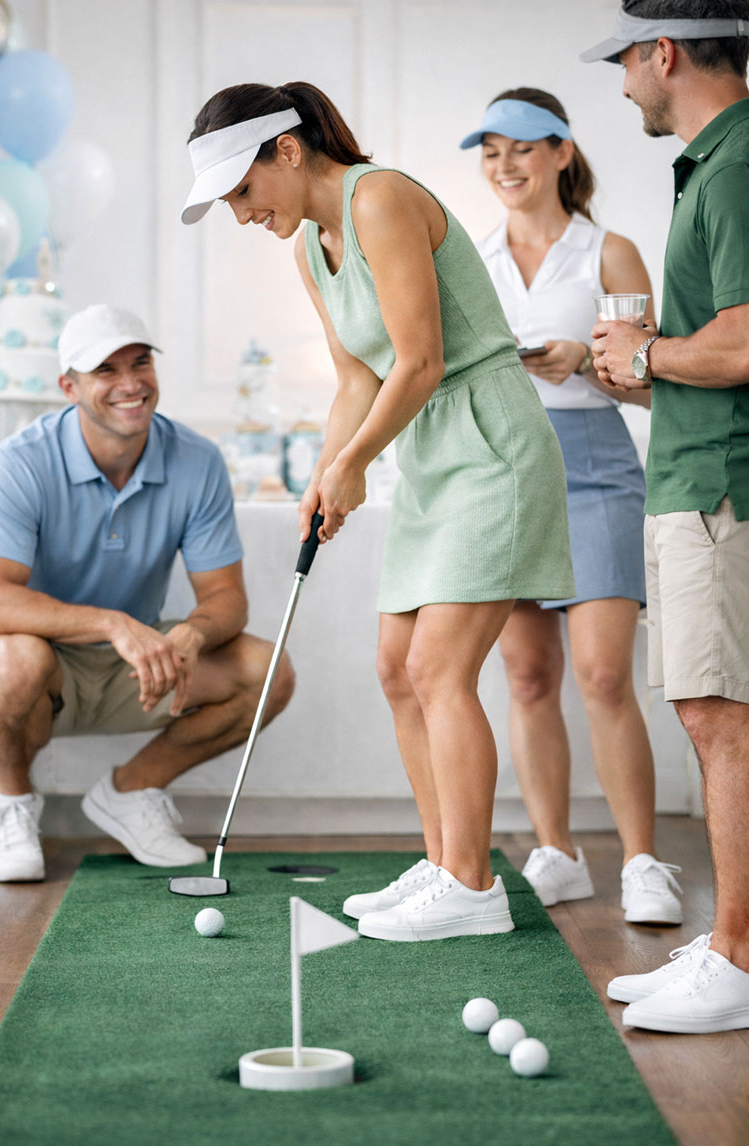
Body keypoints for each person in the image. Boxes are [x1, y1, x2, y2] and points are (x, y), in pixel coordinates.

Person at [181, 81, 574, 942]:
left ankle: (472, 887)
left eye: (242, 191)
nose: (240, 214)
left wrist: (356, 463)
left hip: (490, 441)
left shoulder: (381, 196)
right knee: (397, 668)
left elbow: (424, 359)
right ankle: (444, 864)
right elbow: (360, 377)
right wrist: (328, 474)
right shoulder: (308, 248)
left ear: (286, 149)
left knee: (439, 669)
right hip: (432, 458)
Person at [0, 303, 294, 883]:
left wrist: (191, 633)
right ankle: (11, 804)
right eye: (105, 372)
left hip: (138, 667)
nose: (131, 384)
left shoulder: (197, 460)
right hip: (44, 666)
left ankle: (132, 792)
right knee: (9, 658)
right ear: (69, 387)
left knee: (269, 671)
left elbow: (226, 599)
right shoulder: (18, 462)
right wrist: (115, 624)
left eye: (140, 364)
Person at [463, 88, 683, 925]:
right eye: (489, 151)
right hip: (507, 472)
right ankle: (556, 852)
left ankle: (642, 862)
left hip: (595, 469)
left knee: (601, 677)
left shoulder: (609, 252)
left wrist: (580, 364)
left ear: (561, 151)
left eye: (520, 148)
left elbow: (653, 380)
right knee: (527, 677)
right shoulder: (472, 259)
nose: (504, 165)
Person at [582, 0, 749, 1032]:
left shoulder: (730, 166)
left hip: (717, 490)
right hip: (695, 478)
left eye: (626, 65)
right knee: (713, 715)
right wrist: (641, 374)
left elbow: (739, 346)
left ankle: (733, 958)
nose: (624, 85)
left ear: (662, 52)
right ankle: (730, 942)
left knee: (717, 719)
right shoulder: (712, 164)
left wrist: (642, 357)